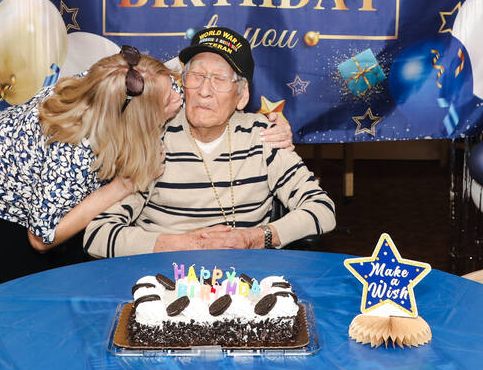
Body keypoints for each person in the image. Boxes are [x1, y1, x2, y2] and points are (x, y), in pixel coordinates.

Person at [85, 27, 336, 258]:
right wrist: (181, 244)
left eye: (219, 79)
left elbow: (322, 209)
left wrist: (255, 238)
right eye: (196, 75)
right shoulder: (154, 139)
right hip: (164, 277)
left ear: (242, 95)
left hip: (246, 281)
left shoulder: (264, 137)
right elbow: (98, 235)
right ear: (183, 83)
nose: (204, 90)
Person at [0, 46, 178, 283]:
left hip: (43, 181)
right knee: (38, 288)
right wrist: (123, 186)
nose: (177, 97)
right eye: (168, 99)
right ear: (137, 118)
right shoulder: (74, 152)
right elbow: (41, 237)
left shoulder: (122, 84)